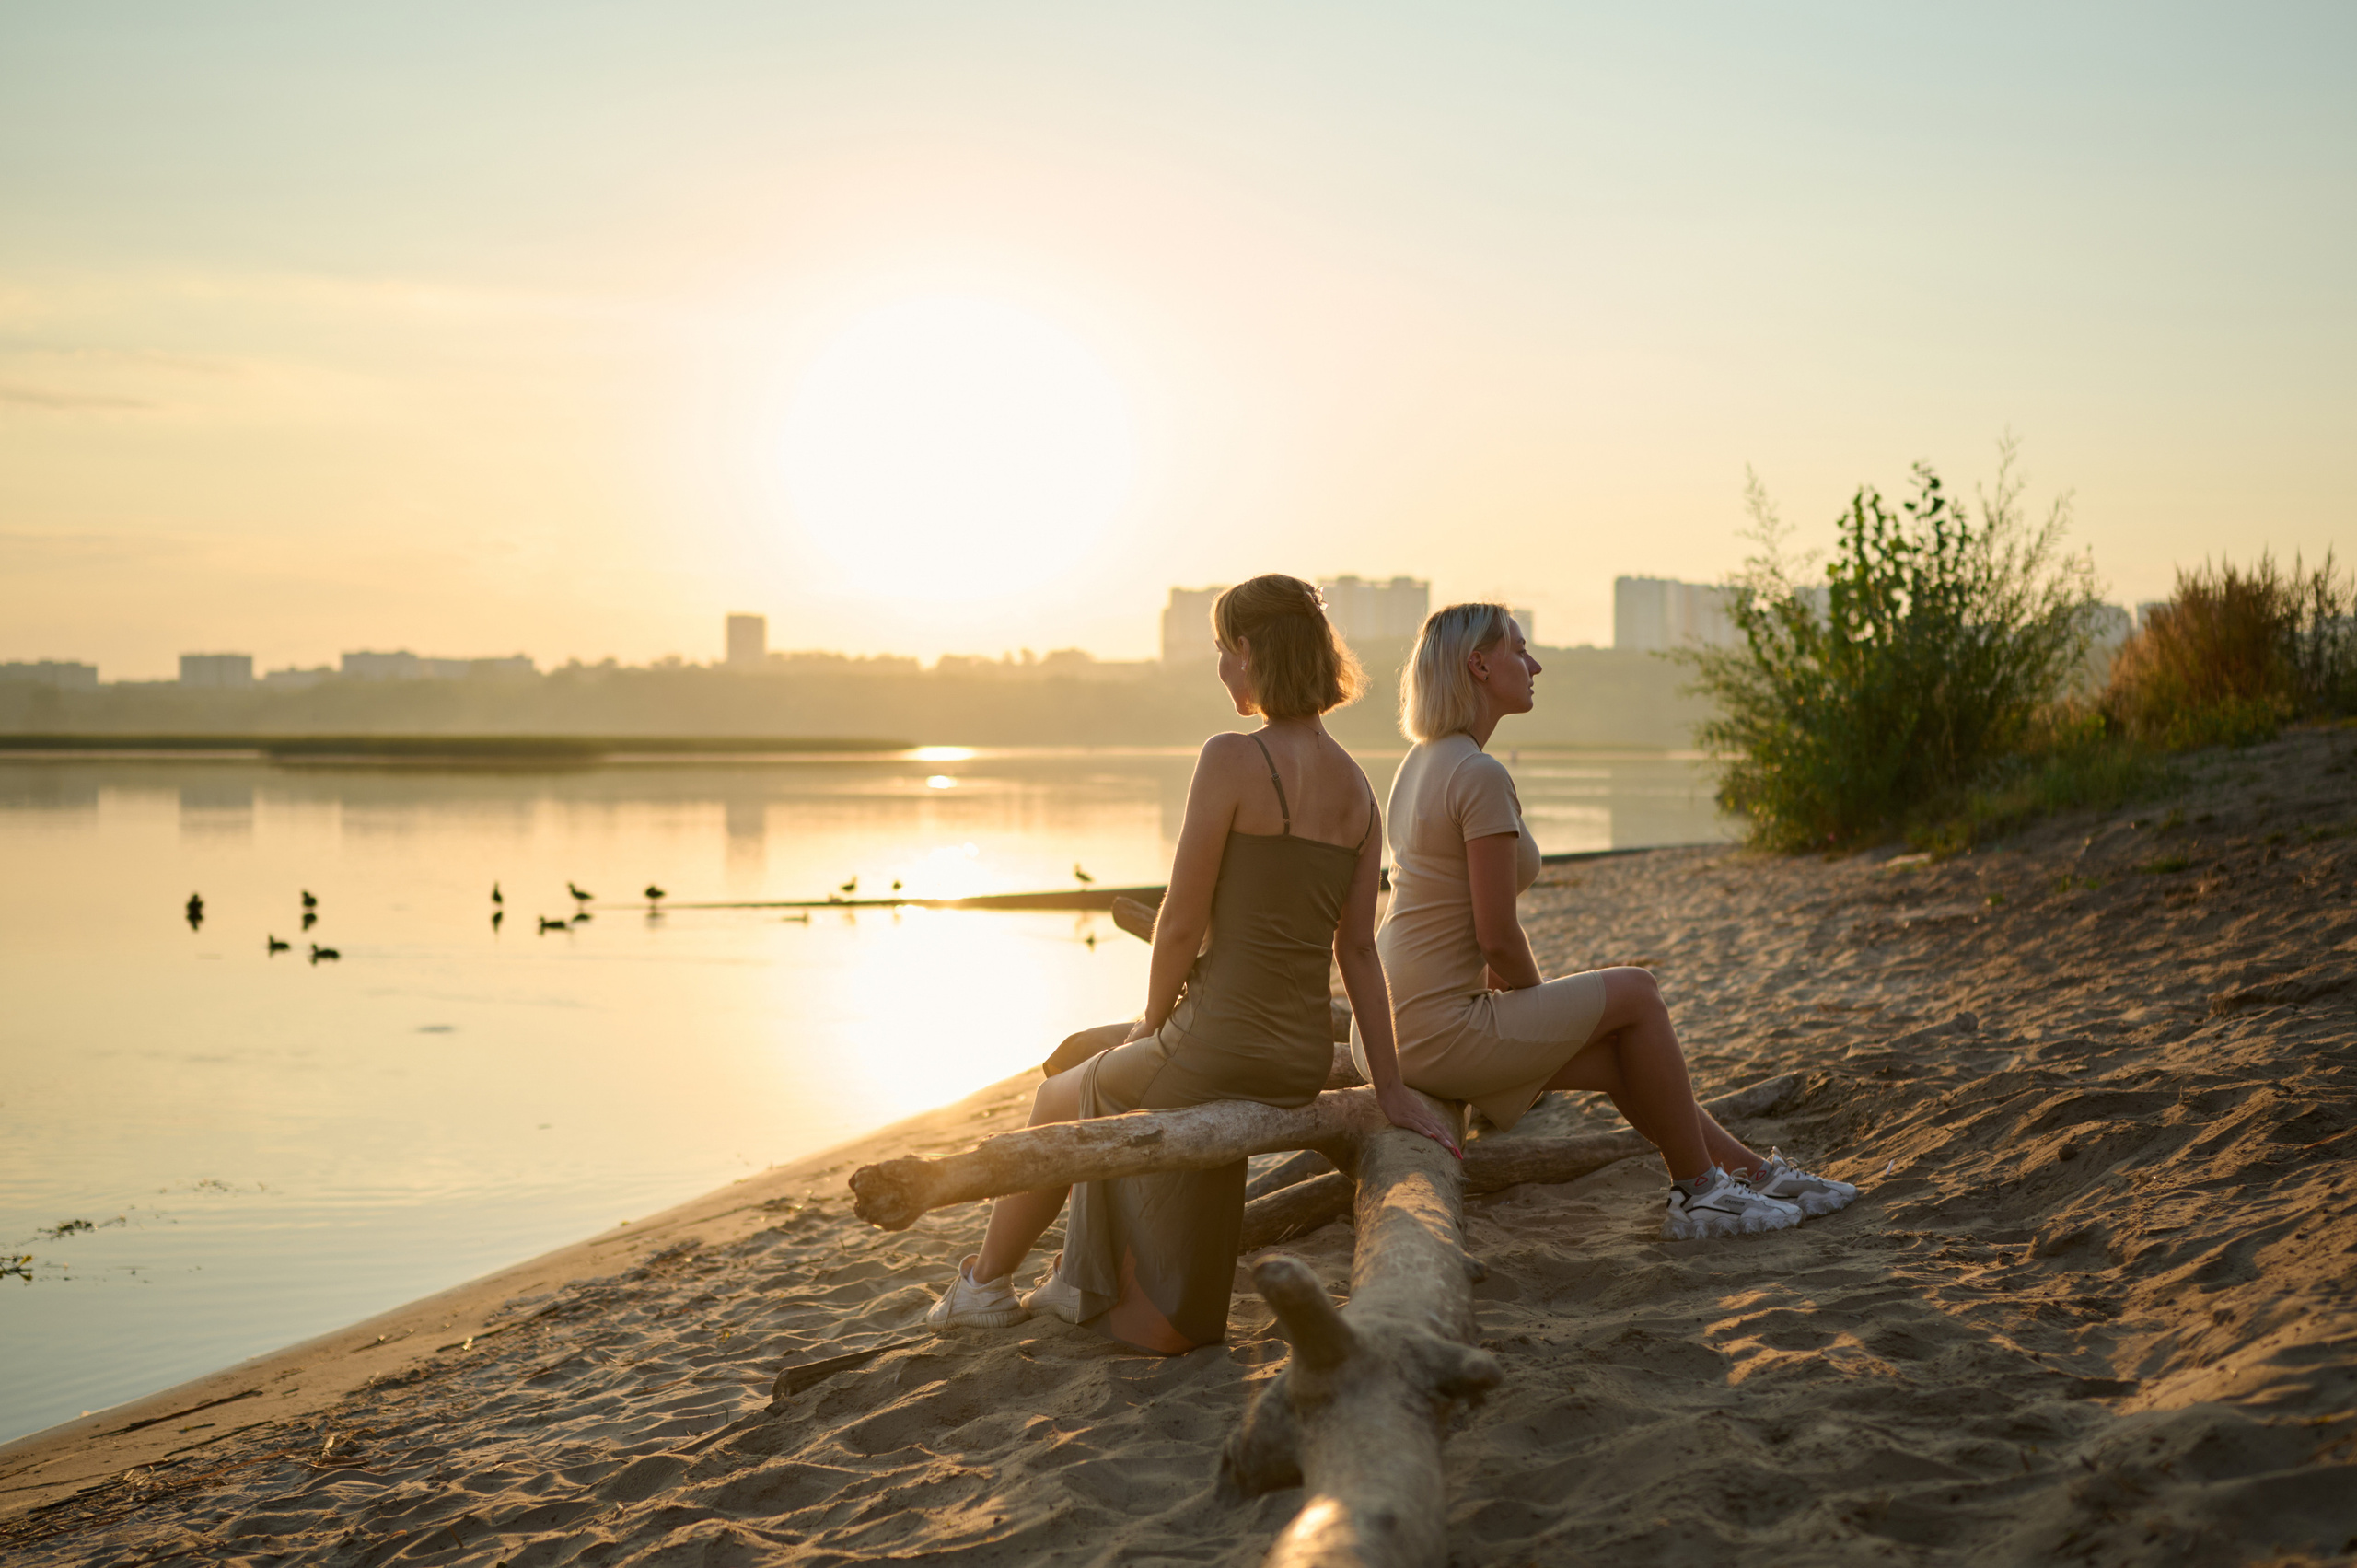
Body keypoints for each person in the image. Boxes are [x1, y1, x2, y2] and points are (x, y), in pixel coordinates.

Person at [926, 575, 1459, 1347]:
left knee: (1058, 1101)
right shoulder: (1359, 790)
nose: (1220, 667)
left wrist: (1151, 1020)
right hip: (1297, 1056)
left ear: (1249, 652)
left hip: (1215, 1042)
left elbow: (1179, 923)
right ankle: (1076, 1279)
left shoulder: (1230, 759)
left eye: (1222, 649)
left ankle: (981, 1286)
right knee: (1097, 1074)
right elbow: (1357, 953)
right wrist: (1390, 1085)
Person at [1359, 601, 1858, 1239]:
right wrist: (1536, 1005)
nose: (1534, 664)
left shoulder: (1421, 761)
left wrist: (1540, 1019)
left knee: (1622, 1052)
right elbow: (1496, 936)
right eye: (1518, 649)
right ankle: (1701, 1191)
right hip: (1436, 1031)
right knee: (1639, 991)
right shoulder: (1479, 774)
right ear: (1478, 664)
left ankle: (1751, 1173)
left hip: (1392, 1027)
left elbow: (1446, 916)